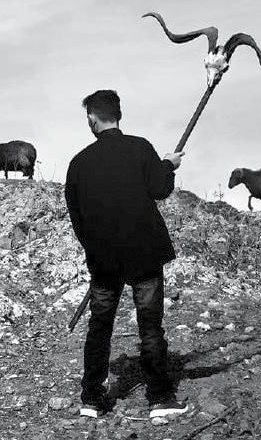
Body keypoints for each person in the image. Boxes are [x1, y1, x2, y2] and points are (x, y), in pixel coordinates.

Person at [64, 90, 187, 419]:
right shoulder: (140, 148)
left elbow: (77, 218)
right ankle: (159, 399)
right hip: (145, 254)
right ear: (118, 114)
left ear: (92, 118)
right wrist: (168, 165)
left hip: (104, 261)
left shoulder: (79, 163)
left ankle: (91, 400)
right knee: (150, 327)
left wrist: (94, 249)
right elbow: (160, 188)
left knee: (100, 327)